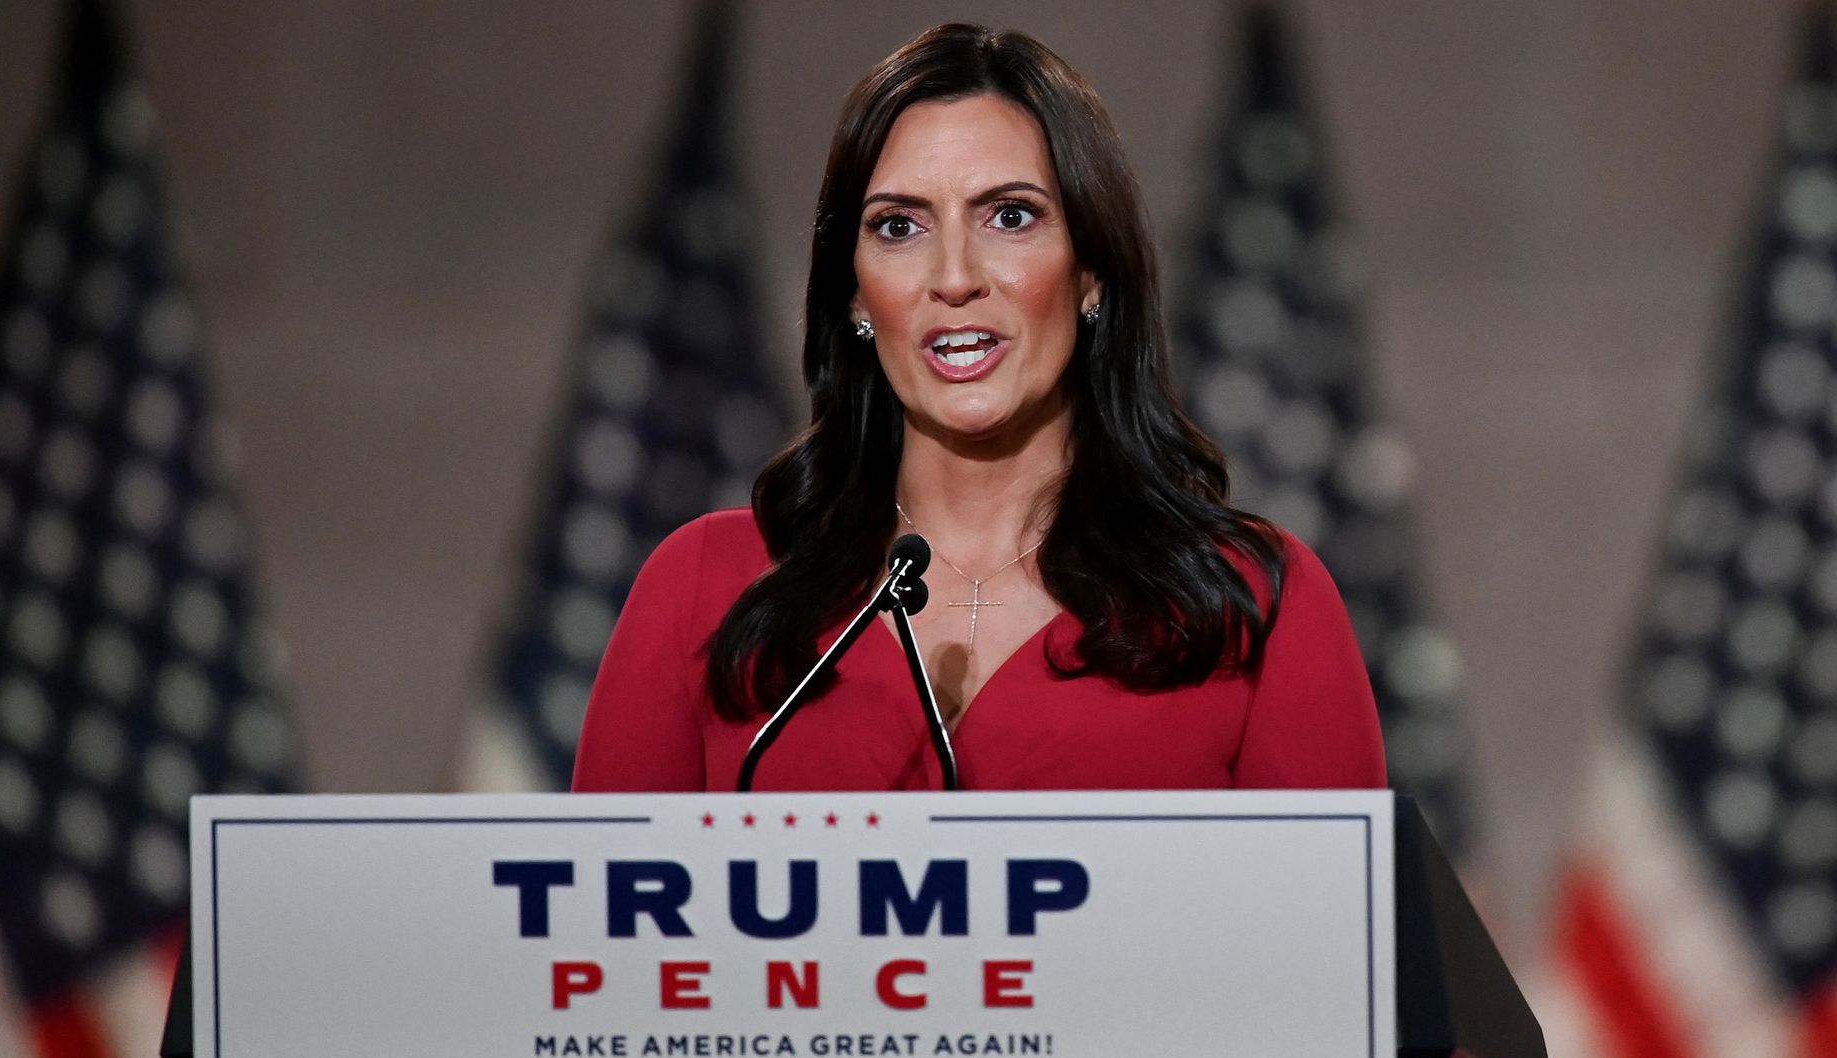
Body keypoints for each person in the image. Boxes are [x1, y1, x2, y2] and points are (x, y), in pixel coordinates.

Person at [571, 23, 1385, 793]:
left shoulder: (1249, 603)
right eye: (898, 226)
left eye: (1010, 216)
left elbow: (1339, 932)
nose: (954, 277)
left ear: (1091, 271)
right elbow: (595, 923)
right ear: (855, 293)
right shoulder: (707, 588)